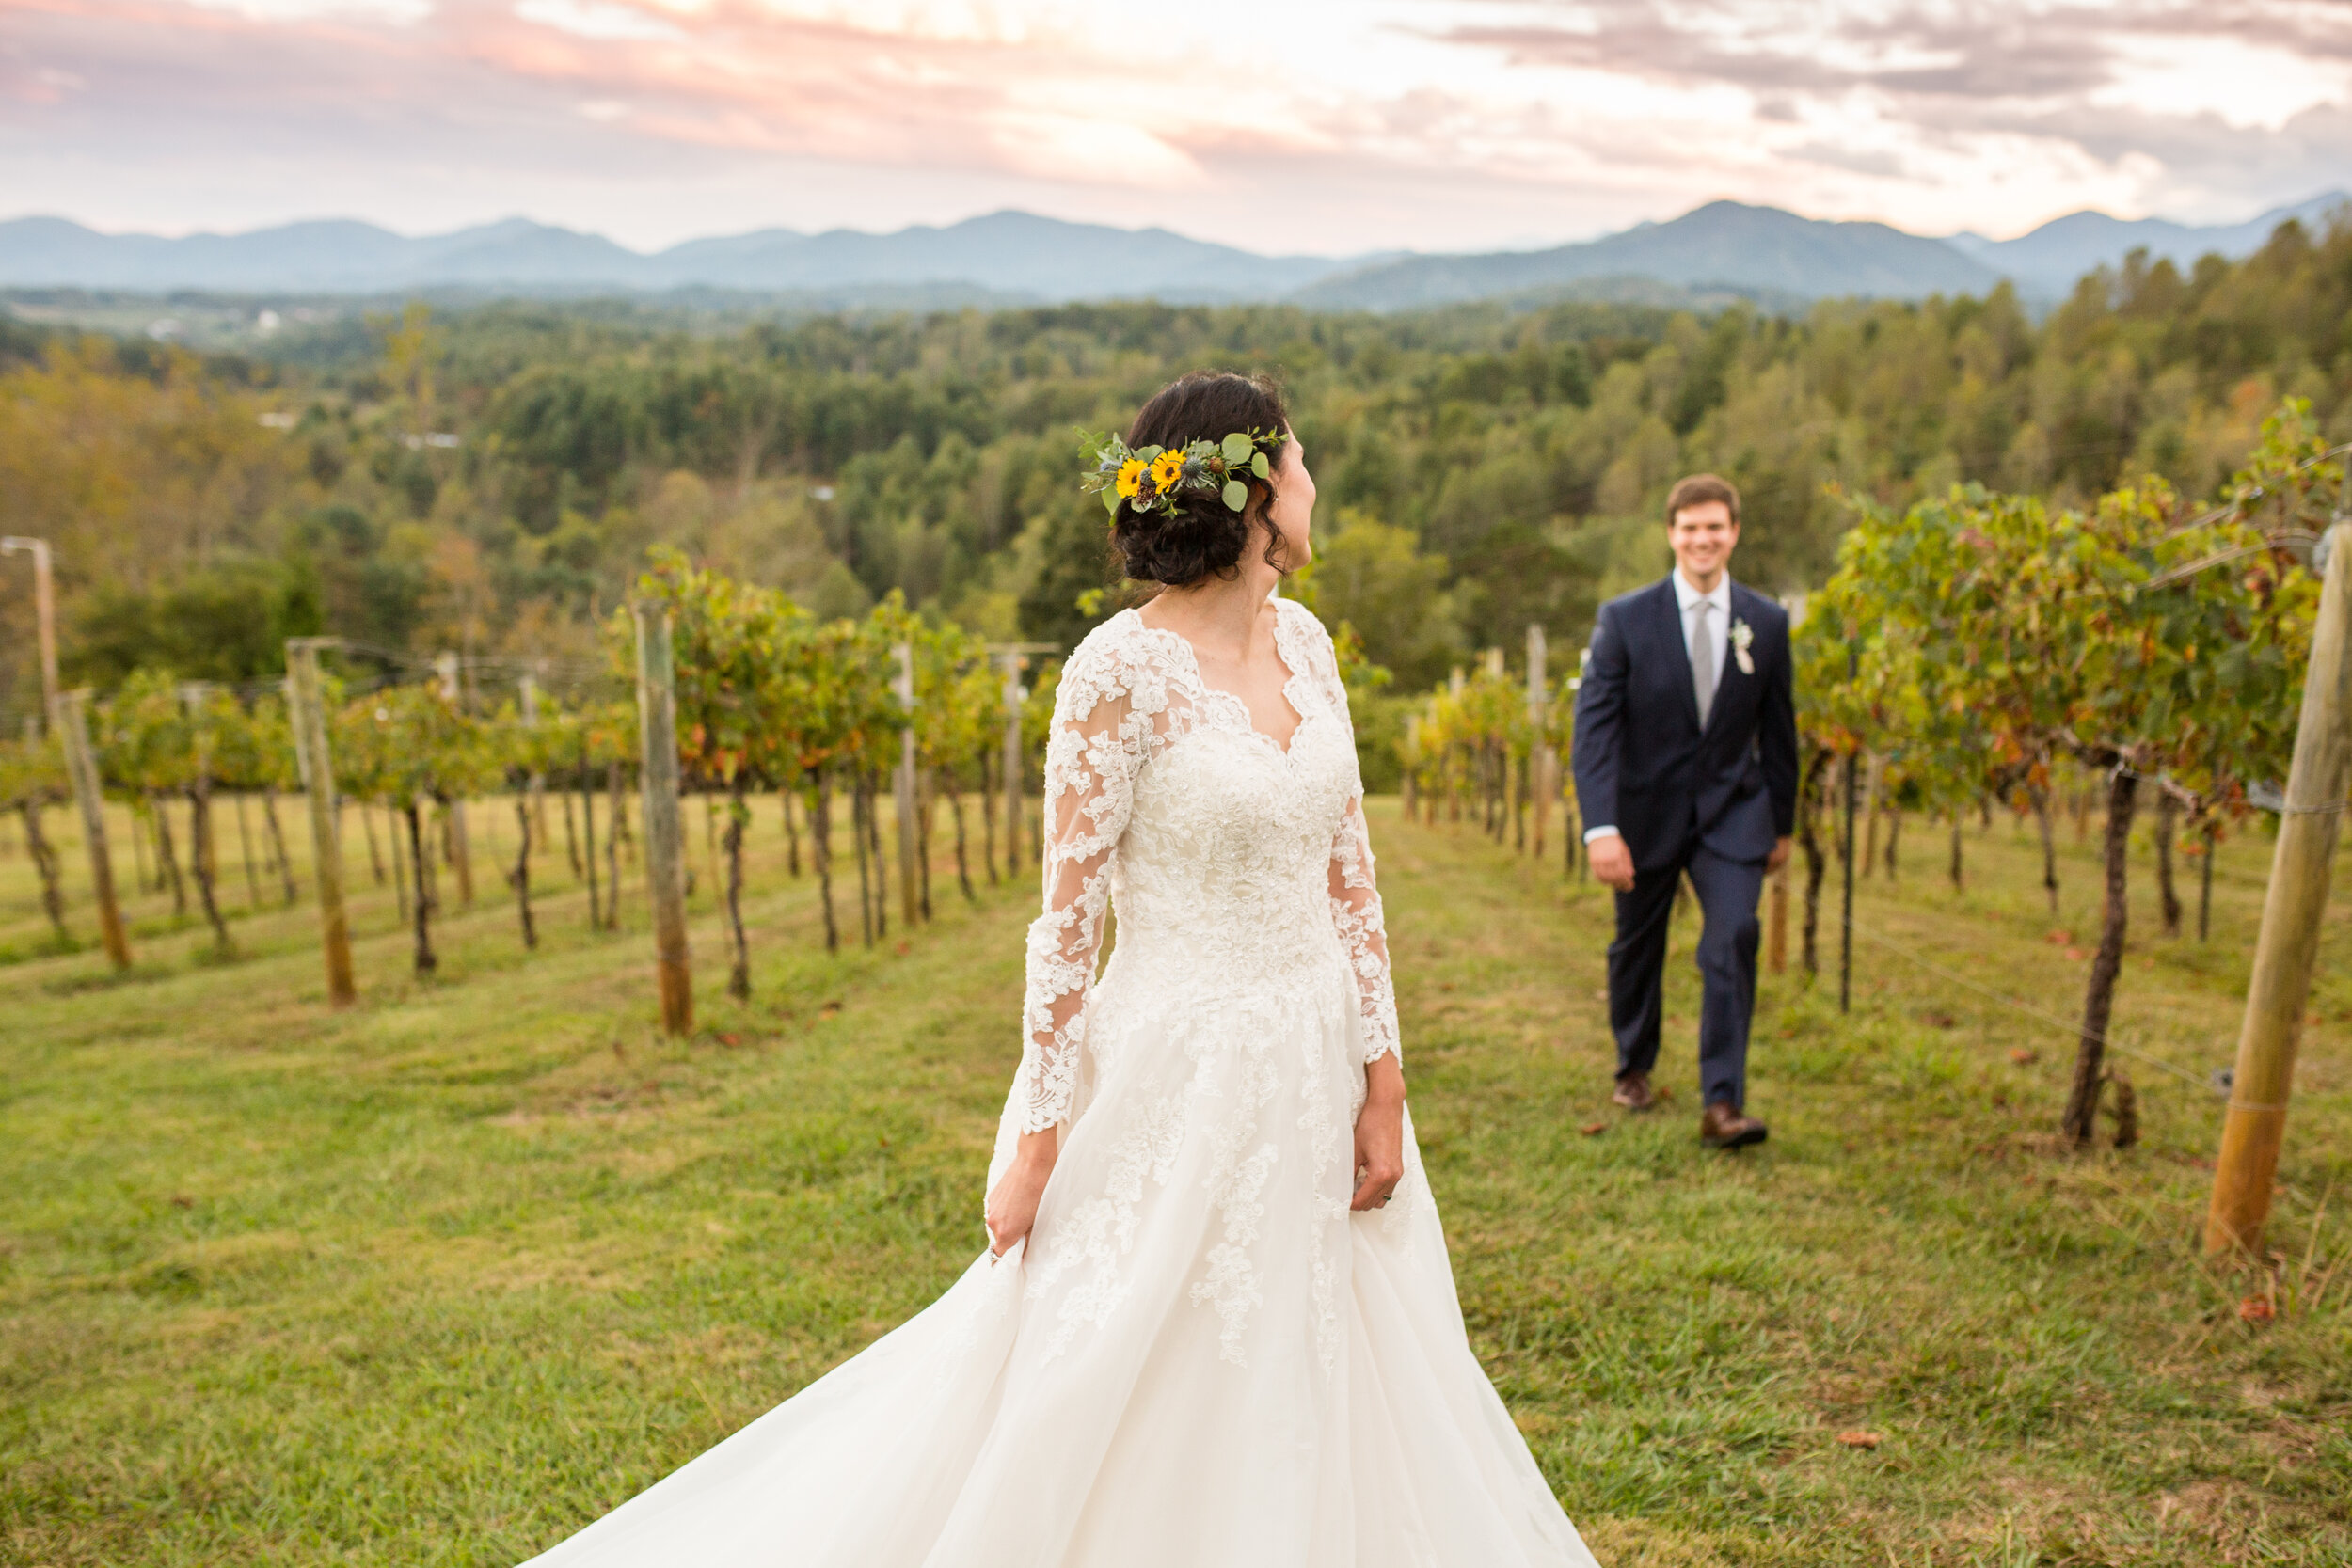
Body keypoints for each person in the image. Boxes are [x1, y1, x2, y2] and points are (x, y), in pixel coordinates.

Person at [517, 372, 1599, 1567]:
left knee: (1332, 1355)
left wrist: (1382, 1073)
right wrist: (1037, 1134)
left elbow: (1352, 873)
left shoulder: (1310, 644)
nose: (1311, 484)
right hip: (1177, 1070)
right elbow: (1065, 925)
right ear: (1249, 495)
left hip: (1316, 1055)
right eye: (1297, 463)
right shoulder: (1112, 674)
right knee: (1126, 1363)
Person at [1570, 474, 1797, 1149]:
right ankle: (1634, 1063)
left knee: (1733, 937)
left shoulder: (1768, 621)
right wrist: (1601, 825)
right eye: (1691, 528)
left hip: (1734, 815)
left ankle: (1723, 1100)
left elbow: (1781, 733)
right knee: (1637, 946)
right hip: (1643, 815)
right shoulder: (1624, 619)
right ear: (1671, 533)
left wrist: (1781, 824)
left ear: (1734, 533)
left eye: (1715, 527)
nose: (1703, 539)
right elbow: (1596, 730)